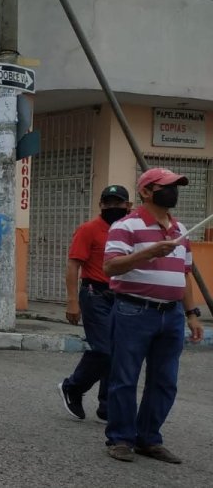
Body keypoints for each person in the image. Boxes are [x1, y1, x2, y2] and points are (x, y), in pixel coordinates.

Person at [102, 168, 204, 463]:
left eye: (176, 186)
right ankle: (120, 438)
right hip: (133, 310)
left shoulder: (180, 229)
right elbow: (110, 266)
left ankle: (148, 438)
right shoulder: (126, 225)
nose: (173, 191)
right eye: (166, 186)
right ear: (146, 192)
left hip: (171, 315)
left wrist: (191, 314)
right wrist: (147, 253)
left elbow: (184, 274)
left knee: (165, 380)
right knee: (125, 377)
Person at [57, 184, 132, 421]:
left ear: (128, 205)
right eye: (108, 203)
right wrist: (72, 301)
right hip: (95, 294)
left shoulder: (131, 230)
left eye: (117, 203)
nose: (112, 207)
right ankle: (73, 387)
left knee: (118, 352)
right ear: (100, 205)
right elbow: (73, 265)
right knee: (103, 350)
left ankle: (107, 405)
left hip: (123, 296)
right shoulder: (88, 229)